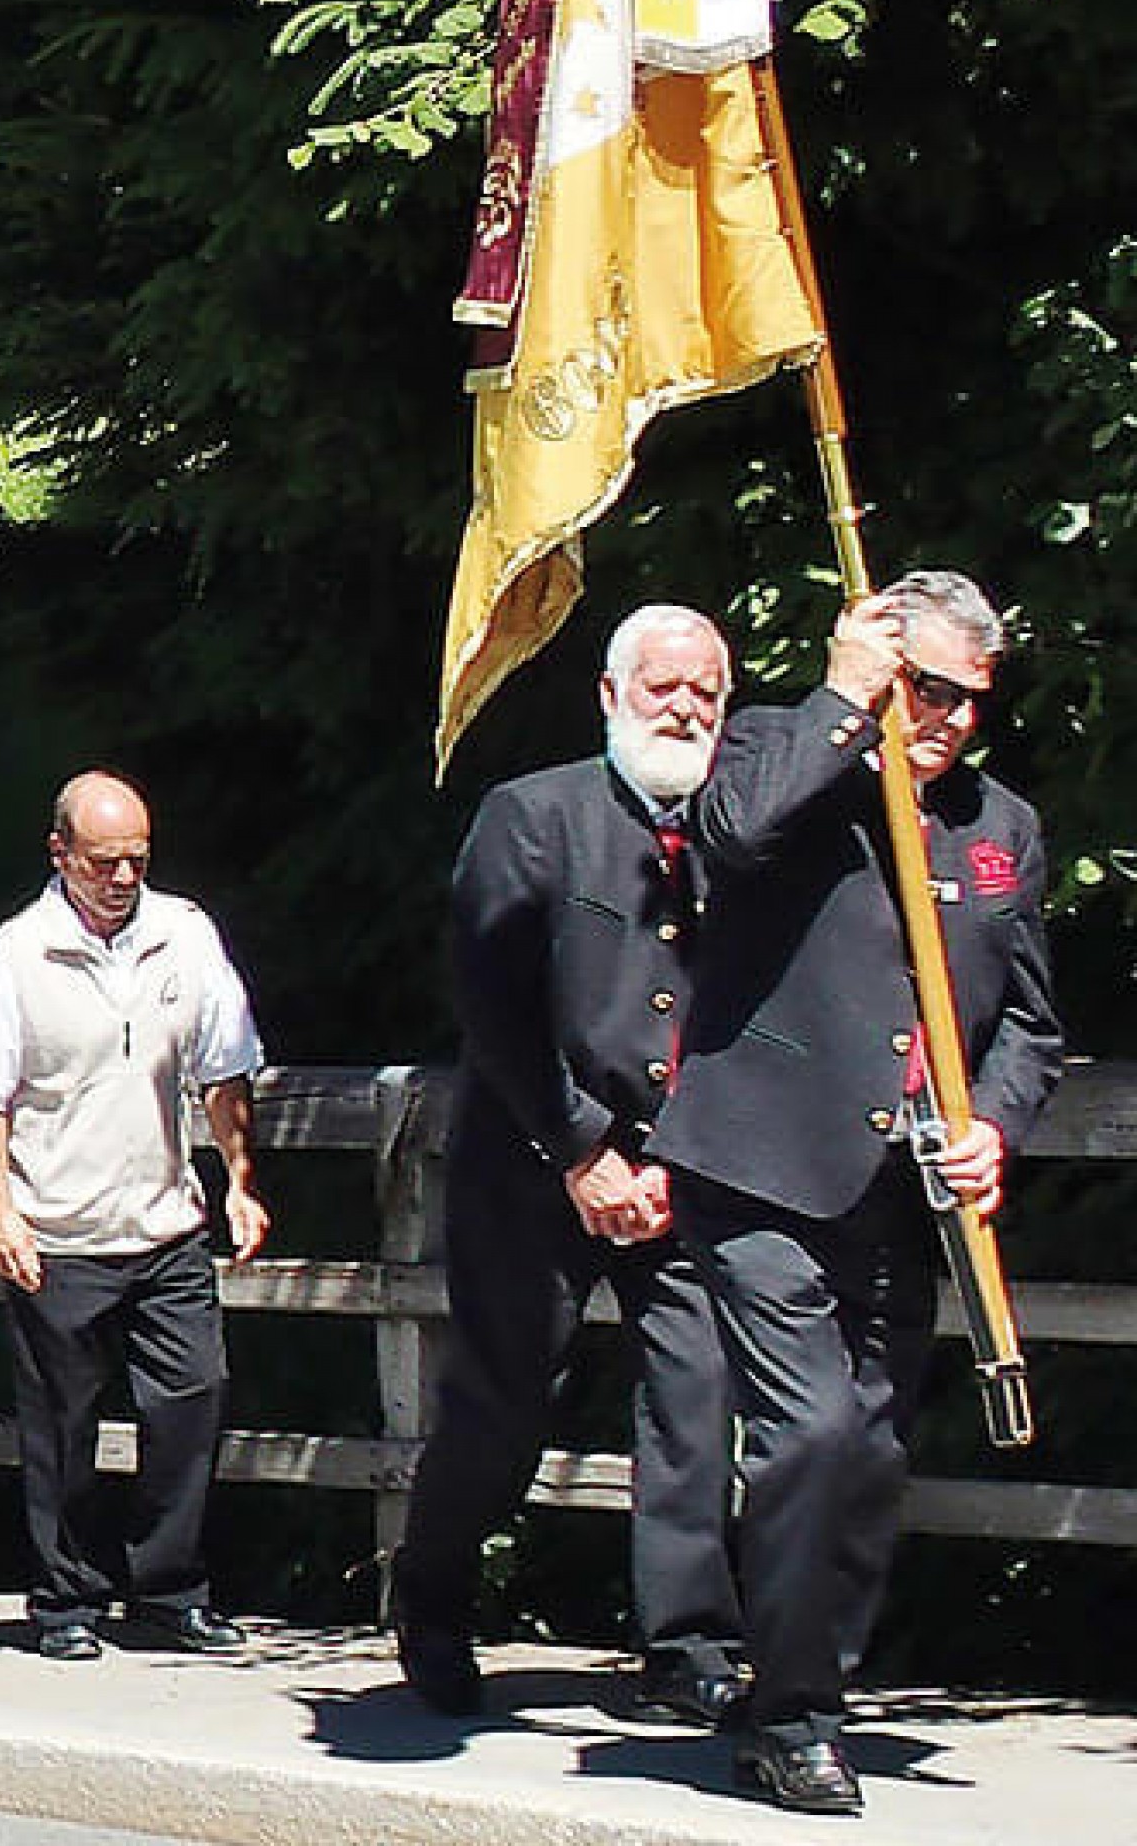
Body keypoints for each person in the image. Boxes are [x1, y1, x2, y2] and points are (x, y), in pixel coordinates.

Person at [667, 575, 1065, 1817]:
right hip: (763, 1167)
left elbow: (1031, 1029)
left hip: (903, 1196)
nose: (945, 718)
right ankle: (790, 1724)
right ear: (884, 663)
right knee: (811, 1434)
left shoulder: (1002, 826)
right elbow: (727, 835)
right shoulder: (786, 756)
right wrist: (844, 697)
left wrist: (994, 1128)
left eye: (967, 699)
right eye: (926, 687)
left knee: (872, 1458)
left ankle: (807, 1684)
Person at [391, 602, 754, 1725]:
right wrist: (583, 1149)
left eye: (706, 690)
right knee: (501, 1409)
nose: (685, 708)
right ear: (610, 696)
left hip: (685, 1167)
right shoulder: (532, 816)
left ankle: (688, 1647)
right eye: (662, 687)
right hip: (532, 1165)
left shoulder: (747, 833)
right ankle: (434, 1603)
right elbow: (492, 1003)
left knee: (696, 1403)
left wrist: (682, 1154)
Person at [0, 772, 271, 1662]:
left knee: (192, 1403)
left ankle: (169, 1588)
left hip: (165, 1223)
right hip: (59, 1231)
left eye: (137, 860)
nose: (123, 877)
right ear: (61, 855)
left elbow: (225, 1067)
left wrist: (239, 1179)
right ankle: (66, 1601)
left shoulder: (185, 934)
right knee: (61, 1432)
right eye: (104, 862)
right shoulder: (17, 954)